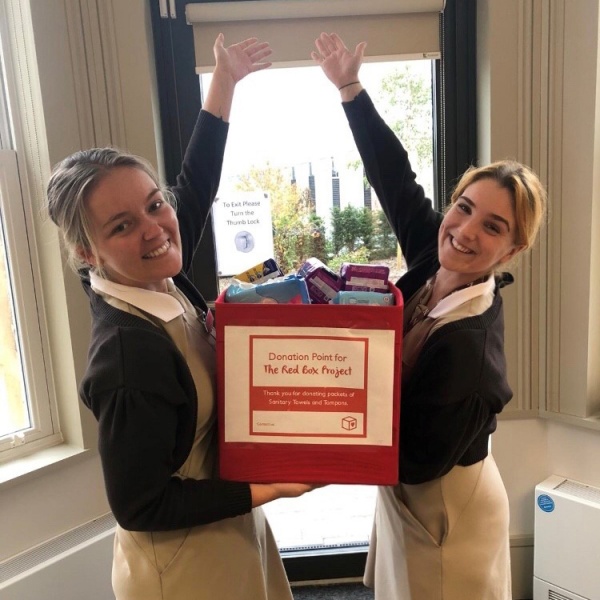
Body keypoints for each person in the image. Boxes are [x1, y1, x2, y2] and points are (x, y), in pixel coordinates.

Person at [46, 34, 316, 600]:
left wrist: (224, 82)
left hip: (226, 526)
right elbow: (141, 504)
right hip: (184, 564)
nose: (154, 228)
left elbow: (194, 187)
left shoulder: (159, 279)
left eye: (154, 203)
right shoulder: (127, 355)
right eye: (121, 225)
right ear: (87, 253)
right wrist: (266, 488)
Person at [312, 32, 546, 600]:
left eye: (492, 226)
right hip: (414, 488)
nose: (465, 231)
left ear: (512, 250)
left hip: (443, 505)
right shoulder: (433, 258)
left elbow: (414, 460)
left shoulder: (469, 348)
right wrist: (350, 88)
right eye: (463, 208)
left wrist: (316, 431)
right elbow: (394, 178)